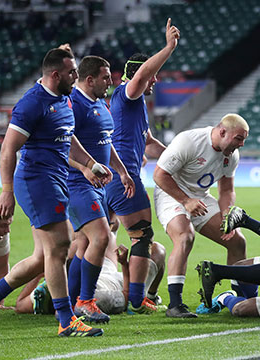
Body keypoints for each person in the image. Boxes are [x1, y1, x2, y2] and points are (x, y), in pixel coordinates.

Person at [0, 46, 112, 337]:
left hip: (56, 179)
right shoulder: (31, 104)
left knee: (44, 256)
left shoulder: (63, 99)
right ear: (56, 75)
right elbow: (8, 149)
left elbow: (68, 135)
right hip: (36, 180)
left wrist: (89, 163)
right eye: (72, 73)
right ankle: (67, 321)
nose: (77, 77)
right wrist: (6, 190)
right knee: (61, 246)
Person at [105, 18, 179, 314]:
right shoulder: (127, 93)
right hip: (124, 177)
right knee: (142, 235)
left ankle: (77, 293)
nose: (155, 81)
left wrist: (177, 159)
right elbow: (143, 74)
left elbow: (149, 143)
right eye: (152, 77)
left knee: (100, 237)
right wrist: (169, 47)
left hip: (119, 176)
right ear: (139, 76)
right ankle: (137, 299)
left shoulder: (134, 107)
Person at [153, 114, 249, 318]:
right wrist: (186, 201)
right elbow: (160, 175)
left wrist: (226, 216)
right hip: (171, 194)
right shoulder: (189, 141)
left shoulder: (231, 154)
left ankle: (238, 297)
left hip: (200, 197)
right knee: (185, 236)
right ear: (222, 132)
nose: (241, 144)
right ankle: (175, 304)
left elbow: (226, 191)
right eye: (238, 138)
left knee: (237, 241)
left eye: (243, 140)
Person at [66, 55, 135, 323]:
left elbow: (107, 142)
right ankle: (85, 302)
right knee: (101, 238)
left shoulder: (101, 104)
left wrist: (122, 170)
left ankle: (71, 305)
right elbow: (60, 145)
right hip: (77, 183)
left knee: (84, 244)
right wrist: (83, 168)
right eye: (106, 77)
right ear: (90, 79)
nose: (111, 81)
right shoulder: (74, 104)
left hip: (98, 185)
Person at [15, 231, 166, 316]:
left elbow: (20, 304)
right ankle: (151, 296)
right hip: (114, 278)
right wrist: (125, 265)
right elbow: (127, 296)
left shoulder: (50, 287)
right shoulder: (96, 299)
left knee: (97, 235)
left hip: (97, 267)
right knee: (157, 250)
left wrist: (41, 271)